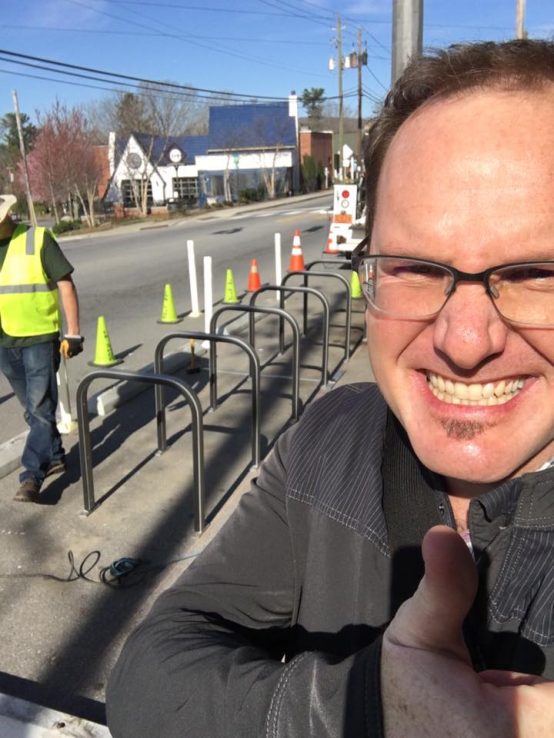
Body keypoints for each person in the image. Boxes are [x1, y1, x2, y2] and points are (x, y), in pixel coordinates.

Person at [106, 38, 554, 736]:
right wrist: (362, 708)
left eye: (535, 273)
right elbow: (151, 672)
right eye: (414, 266)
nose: (464, 342)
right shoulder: (330, 438)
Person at [0, 195, 83, 503]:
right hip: (4, 342)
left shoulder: (37, 239)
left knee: (40, 409)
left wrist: (73, 333)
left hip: (38, 337)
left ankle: (31, 476)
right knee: (34, 411)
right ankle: (57, 454)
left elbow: (66, 284)